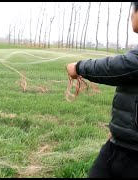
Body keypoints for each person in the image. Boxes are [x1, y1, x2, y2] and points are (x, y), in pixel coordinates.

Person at [66, 2, 138, 178]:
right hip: (121, 142)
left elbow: (122, 66)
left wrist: (79, 67)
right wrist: (118, 130)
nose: (131, 15)